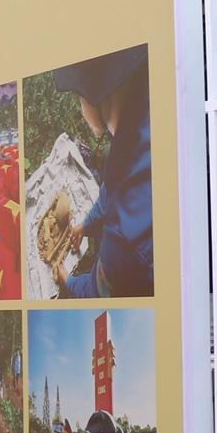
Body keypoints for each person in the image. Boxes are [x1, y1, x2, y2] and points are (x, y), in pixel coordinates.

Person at [51, 49, 154, 299]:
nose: (80, 107)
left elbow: (100, 290)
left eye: (79, 97)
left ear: (96, 97)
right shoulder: (142, 117)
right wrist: (86, 225)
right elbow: (112, 186)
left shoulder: (124, 234)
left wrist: (68, 280)